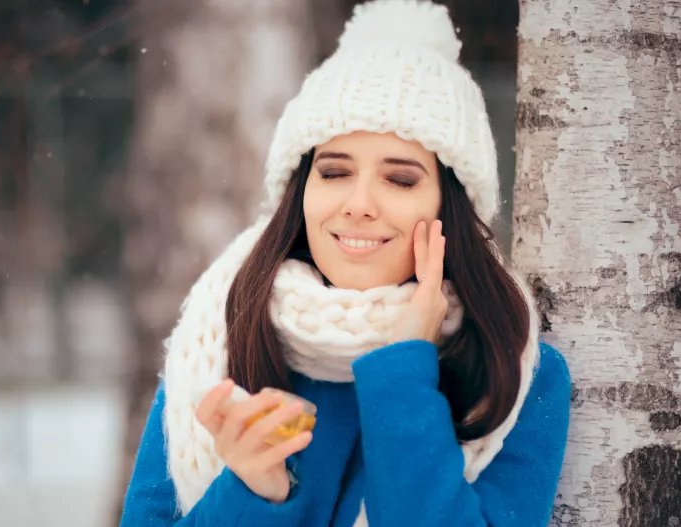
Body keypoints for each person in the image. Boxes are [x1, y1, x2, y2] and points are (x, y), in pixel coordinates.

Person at [119, 1, 571, 525]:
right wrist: (254, 494)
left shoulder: (514, 371)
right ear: (301, 193)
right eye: (334, 172)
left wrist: (404, 370)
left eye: (400, 180)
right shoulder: (219, 341)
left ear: (450, 208)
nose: (358, 203)